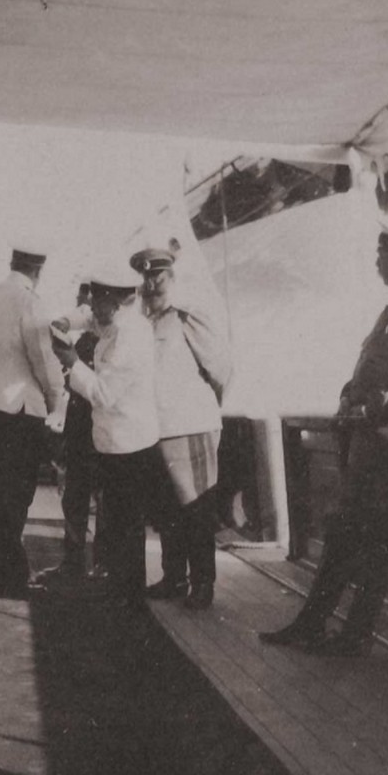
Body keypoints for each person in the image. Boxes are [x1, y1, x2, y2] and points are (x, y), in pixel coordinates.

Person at [260, 221, 388, 656]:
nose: (377, 263)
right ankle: (316, 624)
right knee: (347, 536)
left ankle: (350, 634)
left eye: (385, 257)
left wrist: (369, 408)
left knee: (374, 544)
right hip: (370, 447)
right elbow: (371, 367)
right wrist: (349, 393)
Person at [51, 268, 158, 607]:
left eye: (97, 299)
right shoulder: (116, 321)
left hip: (129, 445)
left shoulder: (129, 335)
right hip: (115, 442)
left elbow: (104, 393)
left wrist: (72, 363)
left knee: (126, 527)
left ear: (115, 300)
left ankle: (128, 598)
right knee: (118, 524)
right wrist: (67, 321)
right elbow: (88, 318)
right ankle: (119, 590)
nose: (92, 306)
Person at [132, 246, 231, 610]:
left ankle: (203, 584)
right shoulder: (144, 323)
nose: (151, 284)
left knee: (196, 507)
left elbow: (220, 368)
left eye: (157, 276)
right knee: (166, 509)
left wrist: (200, 409)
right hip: (154, 429)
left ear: (171, 277)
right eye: (145, 277)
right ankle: (174, 577)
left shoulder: (188, 316)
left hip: (189, 425)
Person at [0, 246, 64, 598]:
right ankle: (8, 574)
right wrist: (55, 401)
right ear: (38, 270)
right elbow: (43, 359)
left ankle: (1, 569)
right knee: (17, 494)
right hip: (18, 411)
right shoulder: (29, 301)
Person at [44, 281, 108, 583]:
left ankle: (103, 564)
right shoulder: (82, 342)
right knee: (74, 498)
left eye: (87, 303)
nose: (83, 309)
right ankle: (72, 562)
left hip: (102, 431)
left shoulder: (110, 341)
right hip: (79, 429)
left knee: (104, 500)